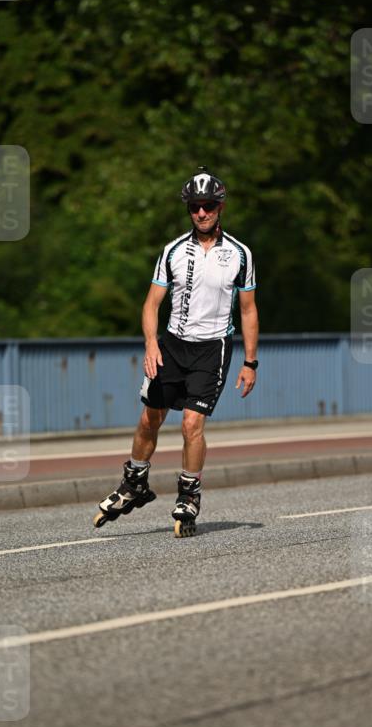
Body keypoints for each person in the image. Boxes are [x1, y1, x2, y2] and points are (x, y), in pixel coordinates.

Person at [94, 166, 259, 537]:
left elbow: (248, 310)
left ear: (220, 207)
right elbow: (152, 304)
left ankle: (189, 494)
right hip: (172, 344)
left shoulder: (240, 254)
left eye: (209, 206)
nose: (202, 213)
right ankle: (135, 480)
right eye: (195, 206)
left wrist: (250, 362)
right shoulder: (171, 251)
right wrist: (151, 343)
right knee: (149, 418)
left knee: (191, 423)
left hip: (212, 348)